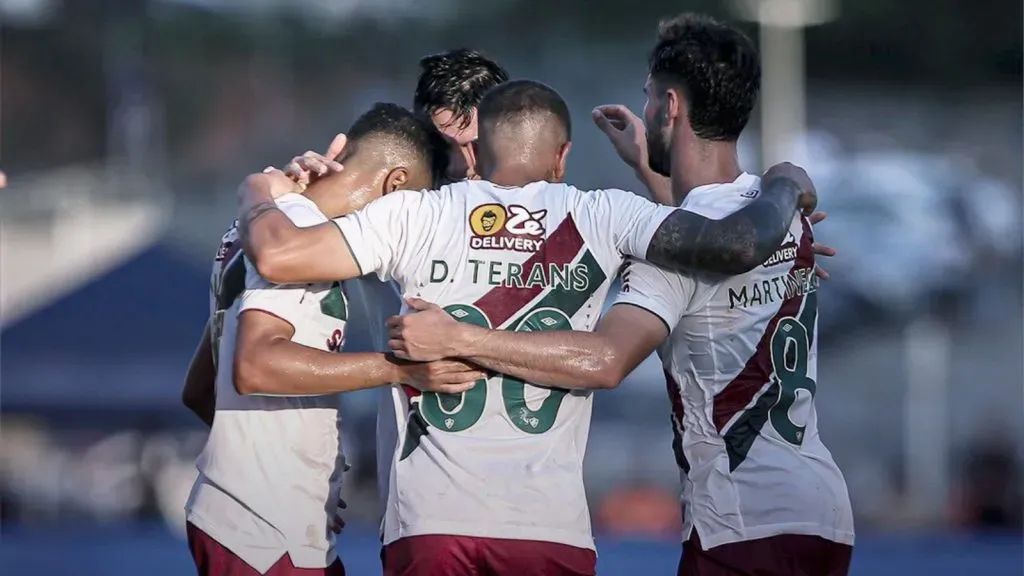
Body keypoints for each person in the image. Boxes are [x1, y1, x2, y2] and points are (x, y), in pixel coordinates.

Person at [234, 78, 817, 576]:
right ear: (561, 156)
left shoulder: (413, 214)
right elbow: (725, 243)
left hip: (430, 524)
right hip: (548, 528)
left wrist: (261, 191)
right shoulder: (605, 212)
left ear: (478, 151)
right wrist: (785, 205)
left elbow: (281, 256)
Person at [386, 14, 855, 576]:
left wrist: (457, 338)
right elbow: (707, 228)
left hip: (742, 518)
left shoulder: (686, 250)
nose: (647, 112)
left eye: (649, 98)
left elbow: (606, 359)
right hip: (821, 509)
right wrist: (664, 168)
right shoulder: (783, 220)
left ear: (671, 108)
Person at [181, 103, 484, 576]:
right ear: (396, 186)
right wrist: (401, 369)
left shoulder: (257, 227)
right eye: (413, 211)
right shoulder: (301, 233)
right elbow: (256, 365)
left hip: (250, 519)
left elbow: (202, 389)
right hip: (266, 532)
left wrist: (294, 473)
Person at [412, 48, 510, 182]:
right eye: (441, 147)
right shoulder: (406, 196)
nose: (458, 167)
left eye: (477, 147)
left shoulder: (540, 195)